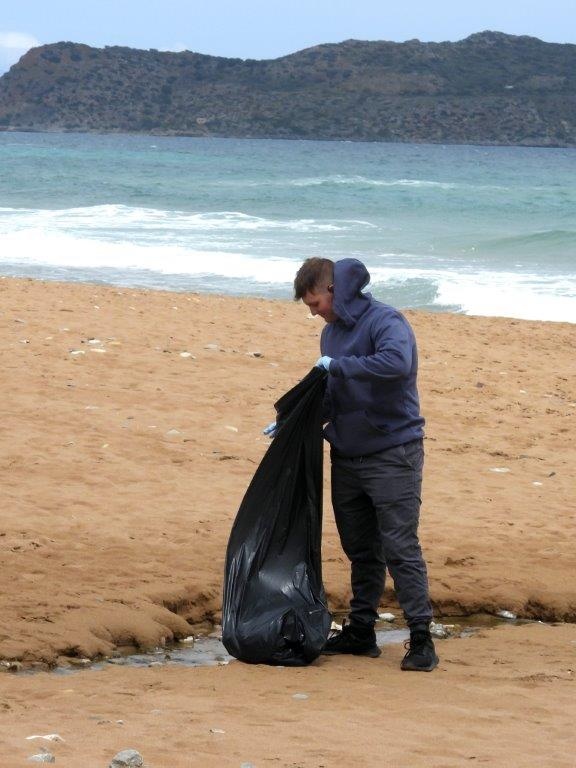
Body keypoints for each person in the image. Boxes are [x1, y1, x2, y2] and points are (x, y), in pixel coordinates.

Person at [265, 257, 438, 671]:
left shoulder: (385, 322)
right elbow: (333, 395)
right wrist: (291, 422)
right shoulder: (330, 335)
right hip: (347, 455)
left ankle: (422, 639)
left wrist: (339, 366)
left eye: (315, 302)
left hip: (393, 453)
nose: (313, 311)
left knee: (400, 546)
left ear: (335, 290)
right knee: (361, 549)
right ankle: (361, 632)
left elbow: (397, 366)